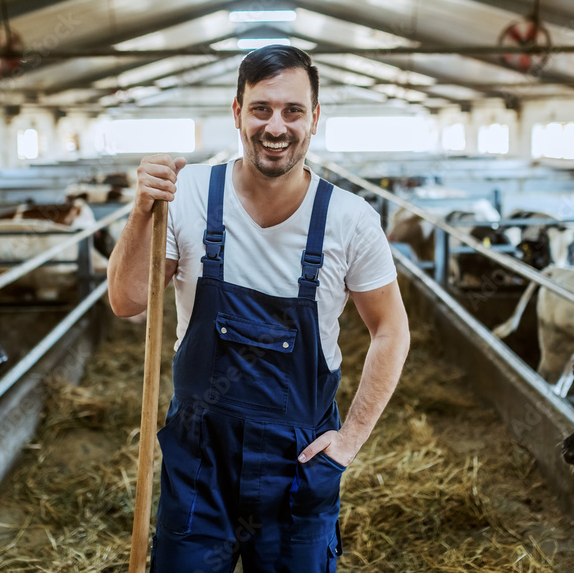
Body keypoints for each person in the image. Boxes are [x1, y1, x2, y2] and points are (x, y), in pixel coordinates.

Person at [107, 44, 410, 572]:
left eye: (293, 111)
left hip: (298, 464)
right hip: (200, 458)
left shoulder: (350, 219)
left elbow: (391, 330)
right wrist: (140, 212)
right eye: (261, 108)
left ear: (314, 119)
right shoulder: (189, 193)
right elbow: (126, 299)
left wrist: (350, 440)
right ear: (237, 112)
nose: (276, 126)